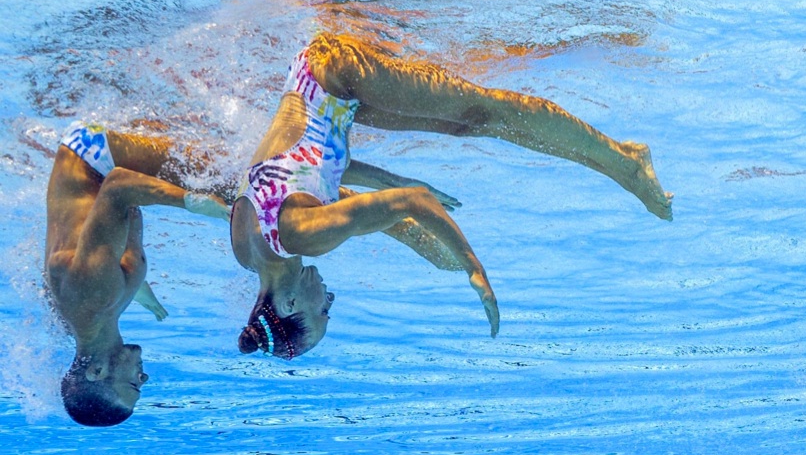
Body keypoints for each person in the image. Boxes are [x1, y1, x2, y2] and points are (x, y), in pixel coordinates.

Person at [233, 31, 672, 359]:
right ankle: (618, 159)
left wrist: (472, 269)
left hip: (337, 77)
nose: (328, 299)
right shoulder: (246, 245)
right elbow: (310, 171)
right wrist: (389, 185)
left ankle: (625, 162)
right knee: (466, 122)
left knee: (486, 110)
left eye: (323, 312)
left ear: (291, 305)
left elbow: (414, 200)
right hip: (323, 81)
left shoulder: (303, 238)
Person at [45, 124, 230, 427]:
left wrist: (190, 201)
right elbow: (87, 256)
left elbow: (118, 186)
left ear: (97, 372)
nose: (144, 377)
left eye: (134, 385)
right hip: (87, 158)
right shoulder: (90, 318)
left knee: (235, 182)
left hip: (94, 157)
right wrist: (137, 290)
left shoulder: (95, 297)